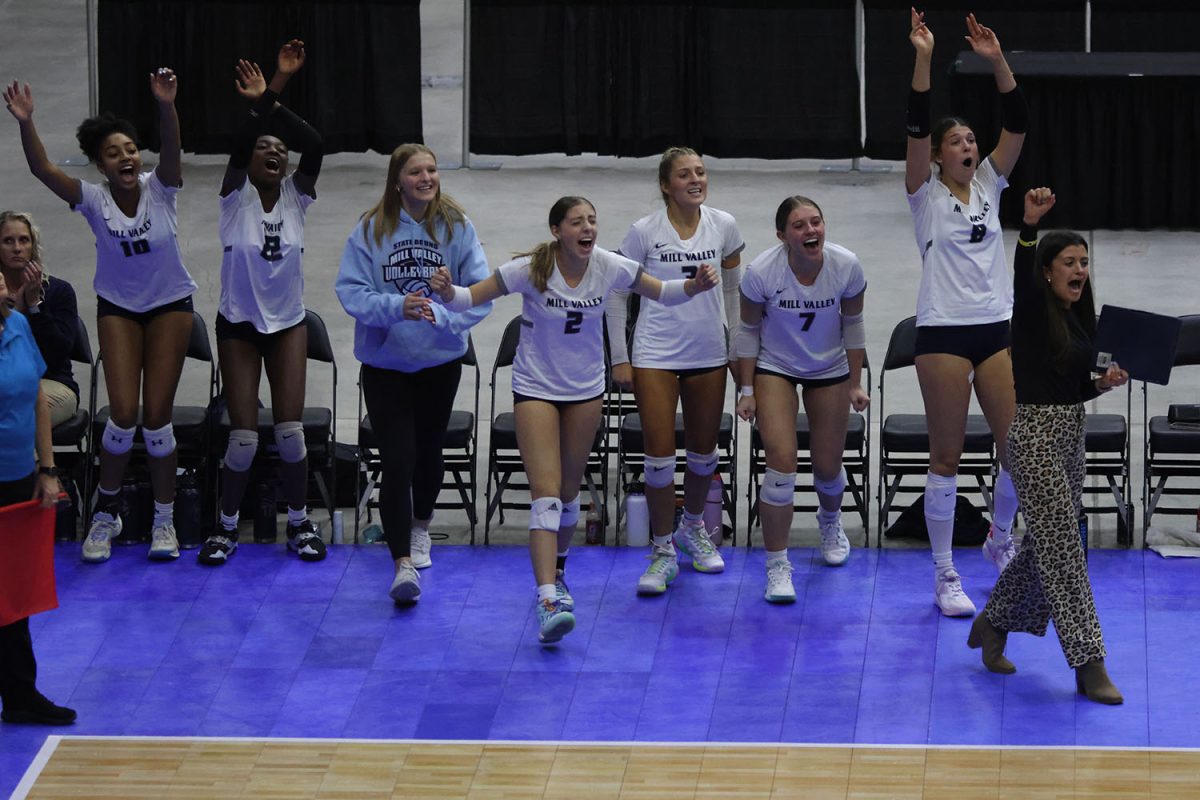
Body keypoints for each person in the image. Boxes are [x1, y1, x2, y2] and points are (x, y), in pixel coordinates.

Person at [430, 196, 718, 644]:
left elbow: (661, 292)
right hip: (536, 390)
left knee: (567, 496)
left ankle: (558, 568)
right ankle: (548, 598)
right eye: (577, 222)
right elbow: (470, 298)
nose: (588, 228)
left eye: (592, 220)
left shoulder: (609, 266)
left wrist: (695, 287)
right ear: (557, 231)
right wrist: (447, 293)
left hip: (585, 391)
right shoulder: (530, 270)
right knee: (546, 496)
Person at [5, 69, 197, 563]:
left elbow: (173, 147)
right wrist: (26, 122)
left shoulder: (161, 188)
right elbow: (42, 169)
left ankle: (163, 519)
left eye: (131, 148)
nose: (126, 157)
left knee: (156, 420)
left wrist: (166, 106)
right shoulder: (92, 200)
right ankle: (105, 514)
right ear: (100, 164)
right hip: (118, 308)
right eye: (114, 153)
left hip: (170, 305)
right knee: (123, 416)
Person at [967, 187, 1126, 704]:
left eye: (1084, 262)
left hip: (1070, 434)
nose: (1079, 270)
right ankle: (1089, 662)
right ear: (1047, 271)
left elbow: (1074, 383)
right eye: (1068, 263)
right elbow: (1022, 276)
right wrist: (1030, 228)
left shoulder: (1080, 318)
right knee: (1066, 551)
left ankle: (993, 623)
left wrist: (1100, 384)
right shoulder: (1033, 309)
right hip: (1033, 436)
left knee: (1046, 547)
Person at [905, 10, 1027, 616]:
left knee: (1017, 448)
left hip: (995, 328)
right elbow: (915, 124)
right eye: (956, 141)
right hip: (943, 333)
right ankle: (944, 574)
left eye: (971, 140)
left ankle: (999, 539)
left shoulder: (990, 186)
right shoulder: (922, 194)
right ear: (937, 155)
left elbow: (1020, 122)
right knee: (947, 456)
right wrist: (925, 57)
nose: (968, 146)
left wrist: (996, 60)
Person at [336, 144, 492, 602]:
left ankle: (421, 526)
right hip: (386, 366)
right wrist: (394, 307)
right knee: (398, 458)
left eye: (432, 169)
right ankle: (402, 563)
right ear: (397, 180)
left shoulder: (457, 227)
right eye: (416, 171)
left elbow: (480, 294)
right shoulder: (371, 228)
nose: (427, 177)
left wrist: (449, 300)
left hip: (439, 363)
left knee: (428, 453)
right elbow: (350, 291)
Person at [199, 41, 325, 566]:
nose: (274, 152)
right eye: (263, 148)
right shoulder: (233, 198)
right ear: (249, 160)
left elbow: (315, 142)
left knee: (292, 433)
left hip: (288, 324)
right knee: (246, 437)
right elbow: (240, 141)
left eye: (280, 149)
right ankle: (227, 528)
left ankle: (300, 523)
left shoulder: (298, 196)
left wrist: (277, 95)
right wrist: (269, 89)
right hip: (240, 327)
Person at [607, 146, 745, 596]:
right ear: (666, 185)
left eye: (701, 172)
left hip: (707, 351)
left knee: (704, 453)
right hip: (655, 354)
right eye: (684, 174)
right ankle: (663, 547)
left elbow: (732, 290)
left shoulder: (723, 225)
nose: (695, 179)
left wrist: (736, 345)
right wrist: (619, 357)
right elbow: (615, 295)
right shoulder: (643, 232)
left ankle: (691, 528)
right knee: (660, 456)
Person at [734, 196, 869, 602]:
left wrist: (855, 383)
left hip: (829, 368)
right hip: (776, 366)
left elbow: (855, 326)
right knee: (781, 461)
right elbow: (747, 332)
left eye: (816, 222)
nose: (811, 231)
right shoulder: (761, 273)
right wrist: (746, 390)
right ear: (782, 236)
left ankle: (830, 521)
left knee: (828, 464)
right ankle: (777, 564)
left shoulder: (846, 266)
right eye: (799, 225)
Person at [0, 271, 75, 725]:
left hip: (18, 476)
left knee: (15, 592)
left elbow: (35, 400)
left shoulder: (19, 327)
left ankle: (20, 694)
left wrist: (46, 469)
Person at [0, 210, 80, 428]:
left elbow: (57, 354)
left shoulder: (58, 291)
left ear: (32, 246)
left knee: (17, 412)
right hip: (5, 384)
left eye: (24, 240)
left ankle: (38, 463)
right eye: (8, 241)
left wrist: (35, 306)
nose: (17, 248)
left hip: (52, 383)